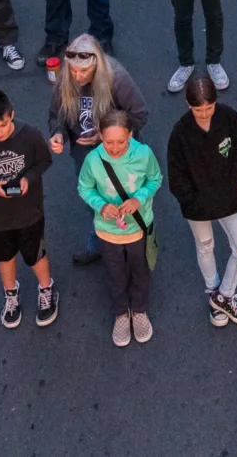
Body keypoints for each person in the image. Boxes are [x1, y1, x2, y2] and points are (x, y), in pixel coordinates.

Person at [0, 87, 60, 331]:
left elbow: (44, 161)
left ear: (12, 116)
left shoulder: (30, 135)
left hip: (30, 213)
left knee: (35, 255)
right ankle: (11, 294)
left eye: (3, 125)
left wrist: (29, 178)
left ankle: (46, 288)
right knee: (4, 257)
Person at [166, 72, 237, 327]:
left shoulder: (230, 118)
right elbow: (177, 175)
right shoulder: (180, 133)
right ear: (188, 106)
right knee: (205, 246)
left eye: (209, 108)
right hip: (198, 205)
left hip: (228, 198)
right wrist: (191, 200)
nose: (205, 114)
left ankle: (222, 296)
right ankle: (213, 291)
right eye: (198, 109)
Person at [77, 108, 163, 346]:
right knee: (115, 274)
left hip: (137, 228)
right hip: (108, 232)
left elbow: (155, 178)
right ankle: (121, 314)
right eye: (108, 142)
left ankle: (139, 310)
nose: (114, 148)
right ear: (100, 137)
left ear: (131, 135)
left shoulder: (144, 154)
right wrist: (101, 206)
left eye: (121, 142)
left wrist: (139, 198)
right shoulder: (93, 160)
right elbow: (85, 187)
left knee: (140, 271)